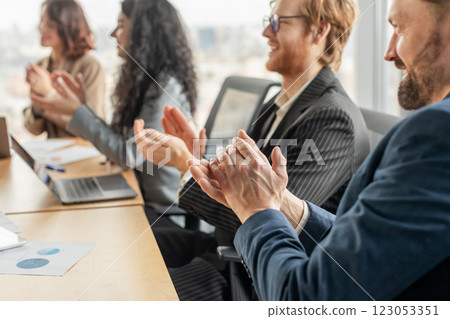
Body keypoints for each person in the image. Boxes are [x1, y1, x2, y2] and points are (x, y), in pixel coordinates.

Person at [190, 0, 450, 300]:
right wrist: (279, 203)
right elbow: (364, 249)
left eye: (399, 28)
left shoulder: (437, 132)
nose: (389, 53)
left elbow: (305, 300)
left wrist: (258, 210)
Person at [135, 0, 370, 300]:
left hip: (249, 276)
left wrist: (186, 164)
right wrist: (196, 157)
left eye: (278, 23)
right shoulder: (280, 103)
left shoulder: (333, 119)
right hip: (224, 248)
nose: (265, 32)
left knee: (131, 291)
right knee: (125, 246)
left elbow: (262, 217)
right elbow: (243, 188)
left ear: (319, 31)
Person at [31, 0, 197, 211]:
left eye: (121, 25)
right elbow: (121, 141)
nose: (113, 34)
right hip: (136, 194)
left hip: (157, 208)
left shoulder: (164, 86)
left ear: (142, 33)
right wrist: (84, 109)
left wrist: (77, 111)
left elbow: (127, 154)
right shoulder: (144, 81)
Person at [24, 0, 105, 138]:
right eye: (42, 22)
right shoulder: (41, 66)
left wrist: (47, 94)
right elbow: (33, 129)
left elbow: (93, 128)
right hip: (54, 154)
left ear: (68, 27)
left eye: (50, 25)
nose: (42, 29)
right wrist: (38, 105)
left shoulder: (90, 66)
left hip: (84, 153)